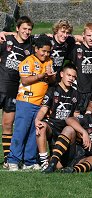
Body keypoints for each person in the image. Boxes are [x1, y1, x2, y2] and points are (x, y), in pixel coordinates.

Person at [7, 35, 56, 171]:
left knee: (34, 133)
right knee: (21, 131)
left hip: (40, 104)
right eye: (43, 51)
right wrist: (41, 75)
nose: (46, 54)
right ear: (36, 49)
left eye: (48, 52)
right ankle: (13, 160)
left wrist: (51, 77)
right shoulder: (29, 61)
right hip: (26, 102)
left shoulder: (49, 61)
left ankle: (29, 160)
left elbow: (51, 81)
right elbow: (25, 80)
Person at [43, 93, 92, 173]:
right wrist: (84, 132)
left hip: (86, 159)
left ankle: (73, 170)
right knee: (69, 129)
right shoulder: (86, 118)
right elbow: (69, 120)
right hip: (72, 154)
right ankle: (52, 164)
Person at [0, 16, 34, 168]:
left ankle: (8, 159)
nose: (27, 32)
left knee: (8, 124)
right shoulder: (6, 40)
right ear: (17, 28)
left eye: (29, 29)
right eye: (24, 28)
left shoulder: (30, 46)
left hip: (13, 90)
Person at [34, 63, 80, 170]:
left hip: (66, 130)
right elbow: (43, 109)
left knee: (60, 166)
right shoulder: (52, 90)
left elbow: (75, 116)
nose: (71, 78)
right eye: (69, 75)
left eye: (74, 77)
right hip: (52, 126)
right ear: (62, 74)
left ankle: (57, 160)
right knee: (41, 126)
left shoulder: (76, 94)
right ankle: (44, 162)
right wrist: (37, 120)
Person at [69, 23, 92, 114]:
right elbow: (67, 38)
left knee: (89, 116)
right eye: (88, 35)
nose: (91, 38)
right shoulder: (76, 49)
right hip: (78, 89)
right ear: (83, 35)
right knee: (76, 114)